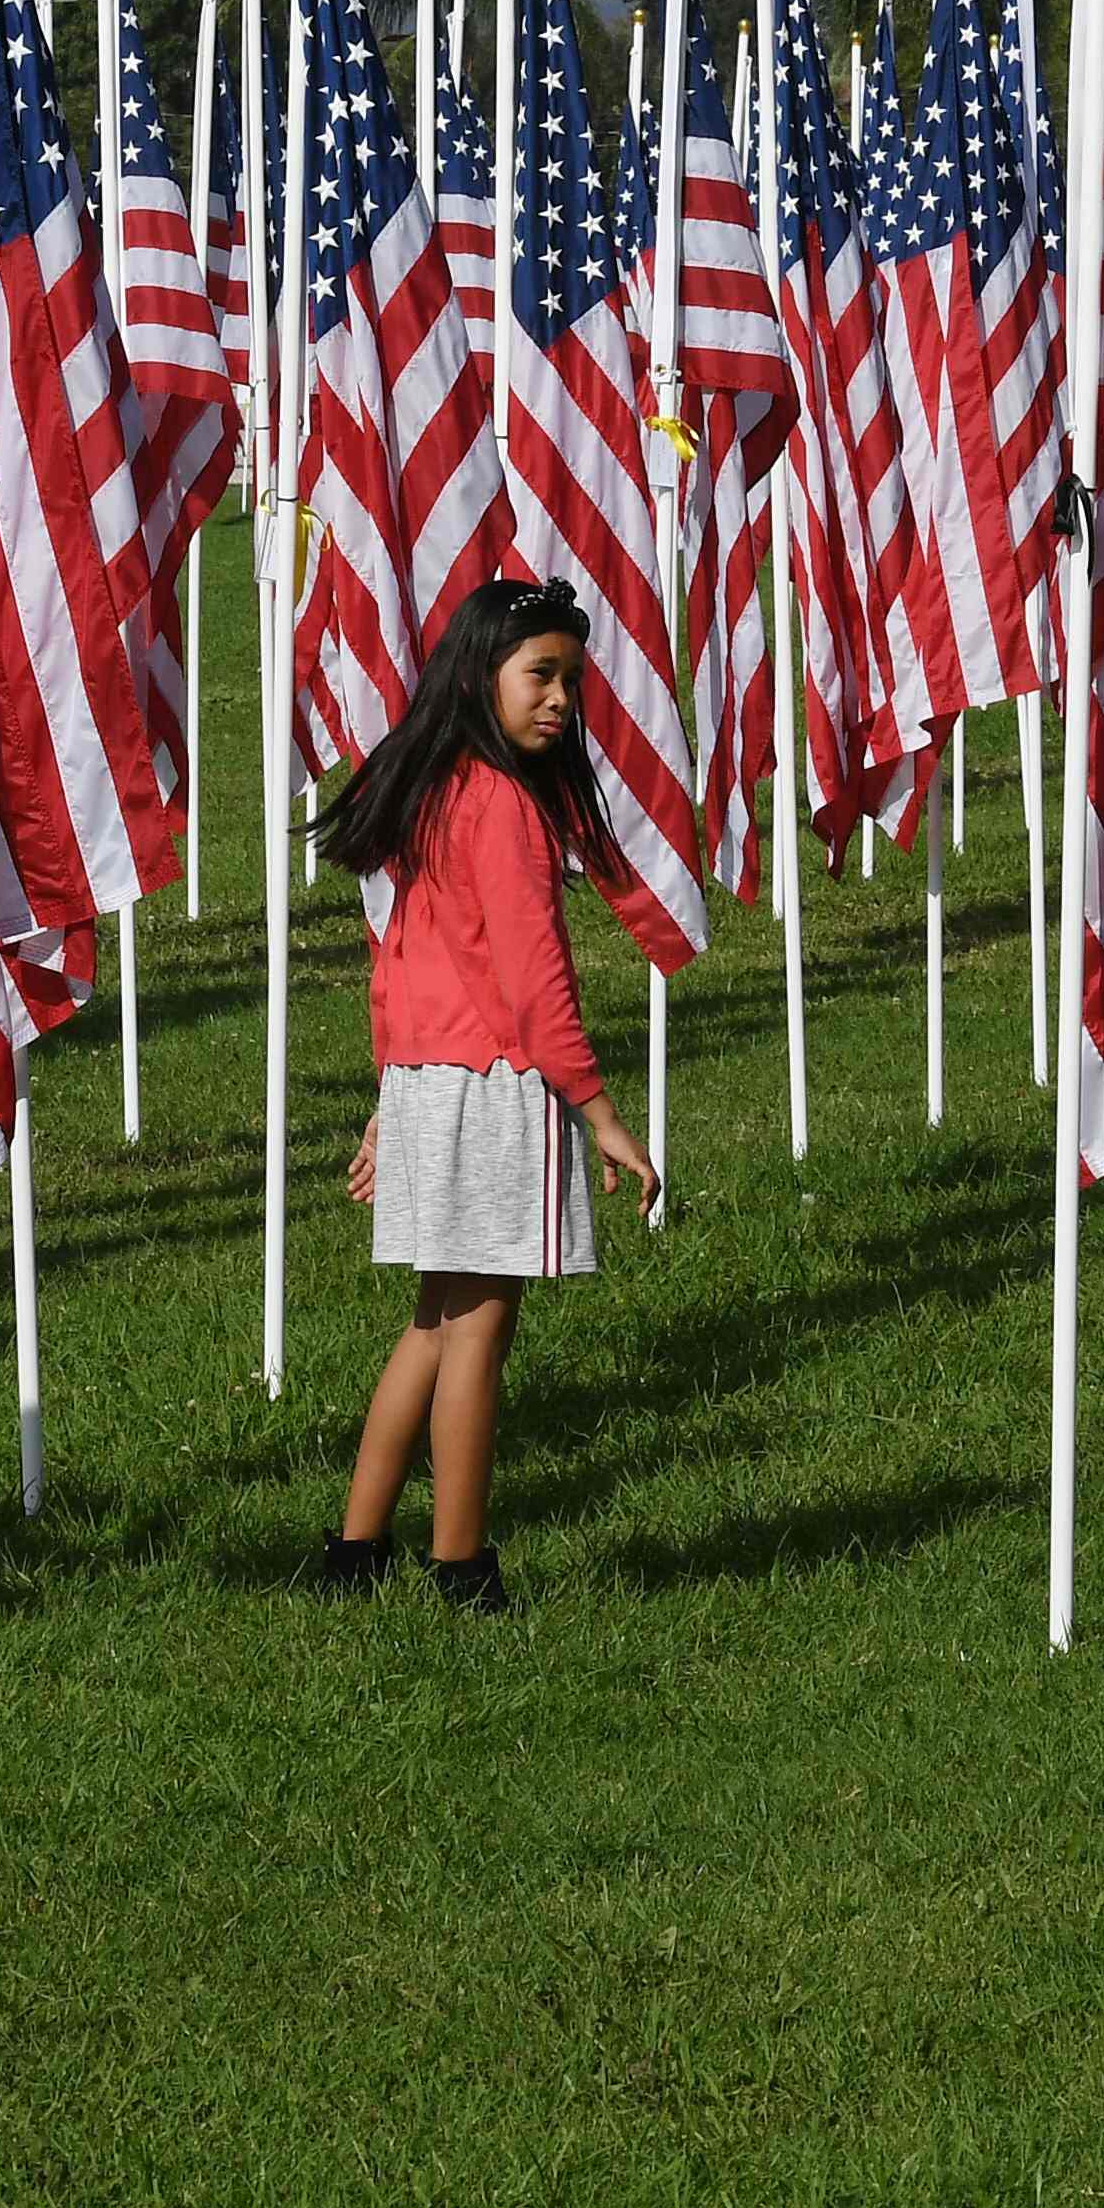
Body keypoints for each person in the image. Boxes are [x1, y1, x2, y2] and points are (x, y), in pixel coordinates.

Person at [312, 579, 658, 1614]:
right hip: (495, 1089)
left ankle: (355, 1553)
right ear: (481, 676)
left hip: (430, 1082)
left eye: (571, 680)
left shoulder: (442, 787)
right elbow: (534, 980)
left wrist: (393, 1098)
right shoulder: (502, 802)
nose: (560, 699)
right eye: (540, 675)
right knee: (480, 1328)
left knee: (434, 1320)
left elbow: (401, 966)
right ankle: (461, 1567)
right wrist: (601, 1114)